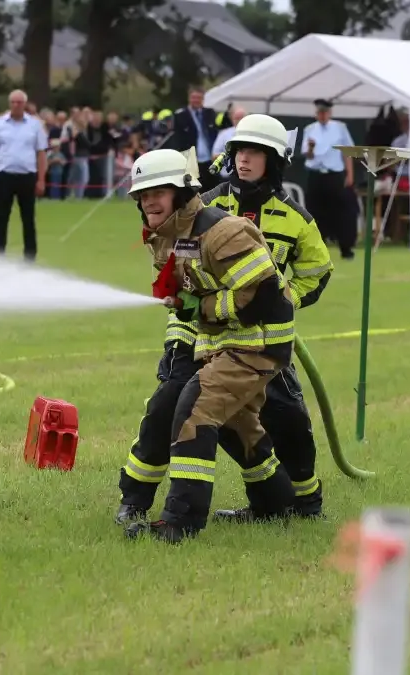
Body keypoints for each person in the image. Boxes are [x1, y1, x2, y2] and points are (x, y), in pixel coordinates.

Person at [116, 114, 332, 529]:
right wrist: (184, 336)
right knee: (188, 410)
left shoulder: (285, 220)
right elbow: (187, 292)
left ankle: (302, 504)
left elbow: (290, 282)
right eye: (239, 152)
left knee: (286, 422)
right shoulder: (196, 211)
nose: (244, 161)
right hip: (205, 340)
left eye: (254, 152)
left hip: (259, 340)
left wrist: (286, 298)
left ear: (275, 160)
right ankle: (138, 498)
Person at [0, 89, 48, 261]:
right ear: (9, 104)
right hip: (5, 175)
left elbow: (41, 153)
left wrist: (41, 179)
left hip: (27, 176)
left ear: (25, 104)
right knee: (1, 217)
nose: (16, 105)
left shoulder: (35, 125)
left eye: (19, 102)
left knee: (28, 217)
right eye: (13, 102)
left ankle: (30, 255)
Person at [302, 99, 356, 259]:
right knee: (316, 212)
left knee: (341, 212)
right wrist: (311, 147)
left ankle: (346, 248)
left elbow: (348, 152)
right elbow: (307, 154)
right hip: (316, 174)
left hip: (335, 175)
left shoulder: (340, 128)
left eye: (325, 113)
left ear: (330, 113)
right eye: (319, 113)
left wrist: (350, 174)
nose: (322, 115)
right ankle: (318, 249)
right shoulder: (310, 129)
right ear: (316, 114)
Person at [170, 85, 220, 192]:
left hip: (209, 158)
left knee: (211, 188)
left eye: (199, 98)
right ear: (189, 98)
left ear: (203, 99)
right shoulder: (181, 115)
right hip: (191, 157)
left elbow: (215, 133)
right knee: (194, 189)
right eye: (194, 97)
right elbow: (177, 138)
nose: (196, 100)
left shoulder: (209, 113)